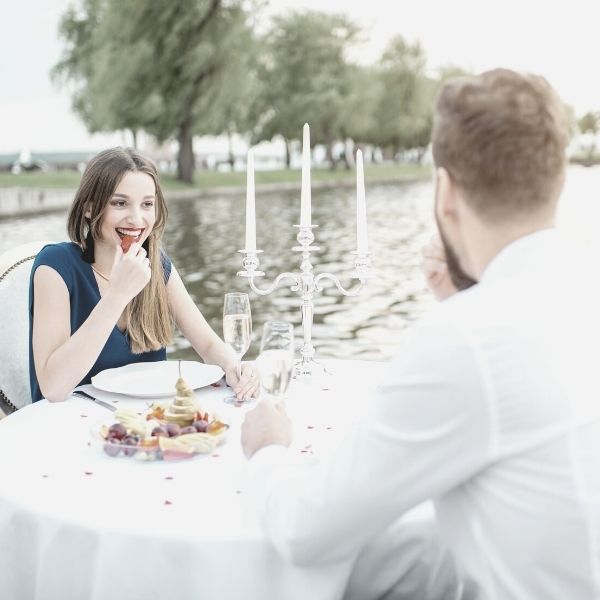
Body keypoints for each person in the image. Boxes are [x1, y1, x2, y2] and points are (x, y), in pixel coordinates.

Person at [240, 68, 600, 600]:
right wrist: (464, 302)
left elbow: (306, 530)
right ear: (558, 178)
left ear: (445, 189)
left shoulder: (470, 337)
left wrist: (268, 450)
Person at [29, 147, 259, 403]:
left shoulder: (157, 265)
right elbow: (53, 387)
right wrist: (117, 295)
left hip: (144, 425)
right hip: (64, 425)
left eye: (147, 204)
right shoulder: (56, 266)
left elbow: (207, 346)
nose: (136, 219)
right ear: (90, 209)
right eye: (120, 203)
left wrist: (236, 368)